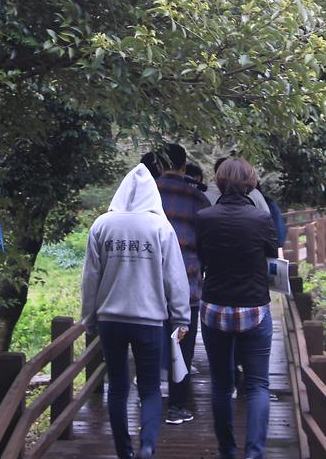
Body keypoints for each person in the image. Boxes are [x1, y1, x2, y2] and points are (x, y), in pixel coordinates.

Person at [81, 164, 190, 459]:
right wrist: (181, 317)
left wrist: (88, 318)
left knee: (117, 388)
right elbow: (175, 277)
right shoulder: (160, 227)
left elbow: (90, 277)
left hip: (110, 320)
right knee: (151, 388)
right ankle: (147, 446)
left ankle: (123, 452)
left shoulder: (102, 225)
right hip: (149, 320)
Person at [196, 157, 279, 459]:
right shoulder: (260, 218)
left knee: (221, 385)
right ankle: (254, 454)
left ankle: (227, 452)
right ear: (249, 183)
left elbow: (202, 257)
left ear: (219, 182)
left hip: (214, 307)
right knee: (257, 385)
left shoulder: (204, 217)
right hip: (253, 307)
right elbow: (272, 252)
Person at [155, 143, 211, 425]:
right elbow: (207, 242)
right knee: (183, 347)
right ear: (183, 165)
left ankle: (149, 399)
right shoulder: (197, 198)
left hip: (149, 286)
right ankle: (177, 406)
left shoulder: (147, 194)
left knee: (150, 345)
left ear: (158, 164)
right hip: (187, 285)